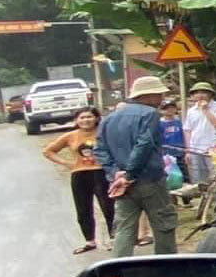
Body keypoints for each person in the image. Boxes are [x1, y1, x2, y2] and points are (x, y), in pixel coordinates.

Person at [94, 76, 177, 257]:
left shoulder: (109, 118)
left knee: (125, 228)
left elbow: (99, 149)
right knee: (163, 224)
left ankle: (117, 269)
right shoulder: (150, 114)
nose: (162, 98)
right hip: (149, 179)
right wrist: (129, 174)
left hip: (120, 185)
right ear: (148, 95)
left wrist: (116, 173)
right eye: (159, 94)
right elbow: (144, 145)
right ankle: (168, 267)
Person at [42, 107, 114, 255]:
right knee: (83, 209)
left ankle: (114, 239)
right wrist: (67, 163)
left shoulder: (104, 133)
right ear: (76, 120)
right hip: (80, 174)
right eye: (82, 118)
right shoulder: (70, 136)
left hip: (101, 173)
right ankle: (89, 241)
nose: (86, 120)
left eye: (89, 117)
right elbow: (48, 151)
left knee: (108, 206)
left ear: (96, 118)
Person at [183, 81, 216, 183]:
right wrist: (188, 150)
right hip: (195, 149)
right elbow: (188, 130)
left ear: (210, 94)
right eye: (196, 93)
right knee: (198, 180)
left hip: (215, 148)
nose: (200, 95)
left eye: (203, 92)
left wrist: (206, 110)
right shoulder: (191, 111)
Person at [158, 99, 189, 183]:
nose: (169, 110)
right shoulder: (159, 123)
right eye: (166, 108)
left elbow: (185, 136)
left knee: (184, 176)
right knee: (169, 177)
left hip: (179, 154)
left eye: (172, 108)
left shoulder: (179, 122)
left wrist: (186, 150)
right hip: (166, 155)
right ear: (161, 110)